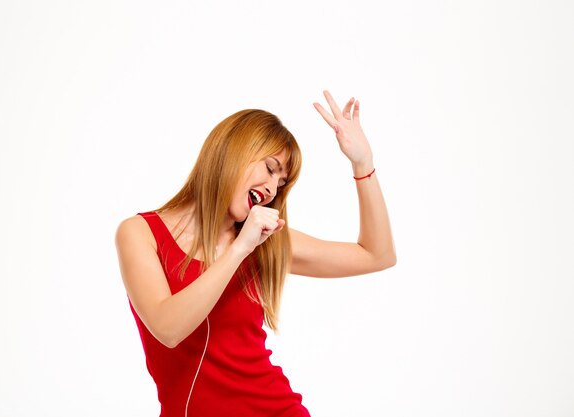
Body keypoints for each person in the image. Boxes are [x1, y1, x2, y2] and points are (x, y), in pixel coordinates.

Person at [114, 90, 396, 417]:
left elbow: (377, 255)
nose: (272, 189)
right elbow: (168, 329)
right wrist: (239, 249)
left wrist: (363, 164)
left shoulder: (264, 242)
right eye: (270, 167)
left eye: (282, 181)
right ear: (233, 152)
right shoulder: (140, 233)